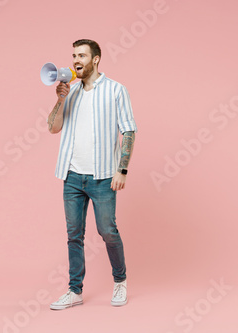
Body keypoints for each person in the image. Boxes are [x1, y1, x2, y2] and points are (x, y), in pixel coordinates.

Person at [47, 39, 137, 310]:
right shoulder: (71, 92)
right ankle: (75, 290)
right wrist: (60, 99)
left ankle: (120, 281)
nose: (76, 60)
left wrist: (121, 169)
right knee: (74, 234)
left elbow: (129, 130)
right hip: (72, 176)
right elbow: (53, 128)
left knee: (107, 231)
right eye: (74, 55)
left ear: (95, 59)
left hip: (102, 177)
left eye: (82, 55)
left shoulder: (116, 90)